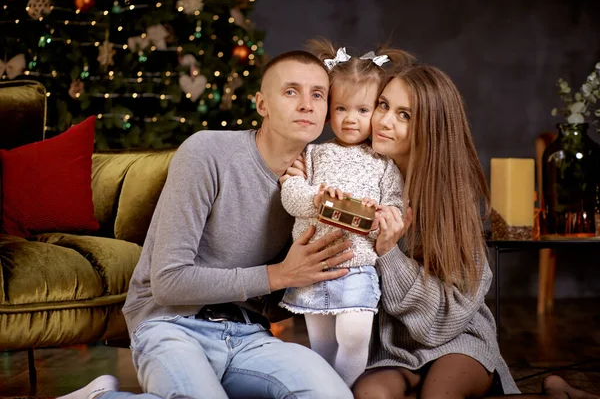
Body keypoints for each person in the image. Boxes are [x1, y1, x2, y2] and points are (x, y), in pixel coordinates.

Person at [58, 50, 356, 399]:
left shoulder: (318, 184)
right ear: (262, 104)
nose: (306, 104)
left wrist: (377, 245)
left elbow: (285, 296)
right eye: (291, 91)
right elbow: (168, 282)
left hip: (249, 334)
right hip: (170, 325)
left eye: (317, 94)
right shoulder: (208, 152)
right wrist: (280, 275)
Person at [351, 63, 600, 398]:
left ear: (432, 128)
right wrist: (302, 172)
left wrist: (389, 253)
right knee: (369, 395)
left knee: (437, 396)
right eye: (383, 105)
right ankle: (554, 396)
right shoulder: (359, 172)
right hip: (394, 345)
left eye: (404, 115)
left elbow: (445, 321)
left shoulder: (451, 201)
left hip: (456, 337)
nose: (384, 120)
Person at [278, 39, 413, 387]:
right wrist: (317, 198)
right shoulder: (313, 154)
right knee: (321, 345)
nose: (351, 119)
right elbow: (290, 197)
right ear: (329, 110)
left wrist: (378, 212)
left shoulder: (384, 165)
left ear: (376, 112)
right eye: (341, 109)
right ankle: (325, 392)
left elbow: (395, 206)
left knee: (353, 336)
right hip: (315, 264)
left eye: (363, 111)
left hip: (357, 264)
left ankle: (341, 394)